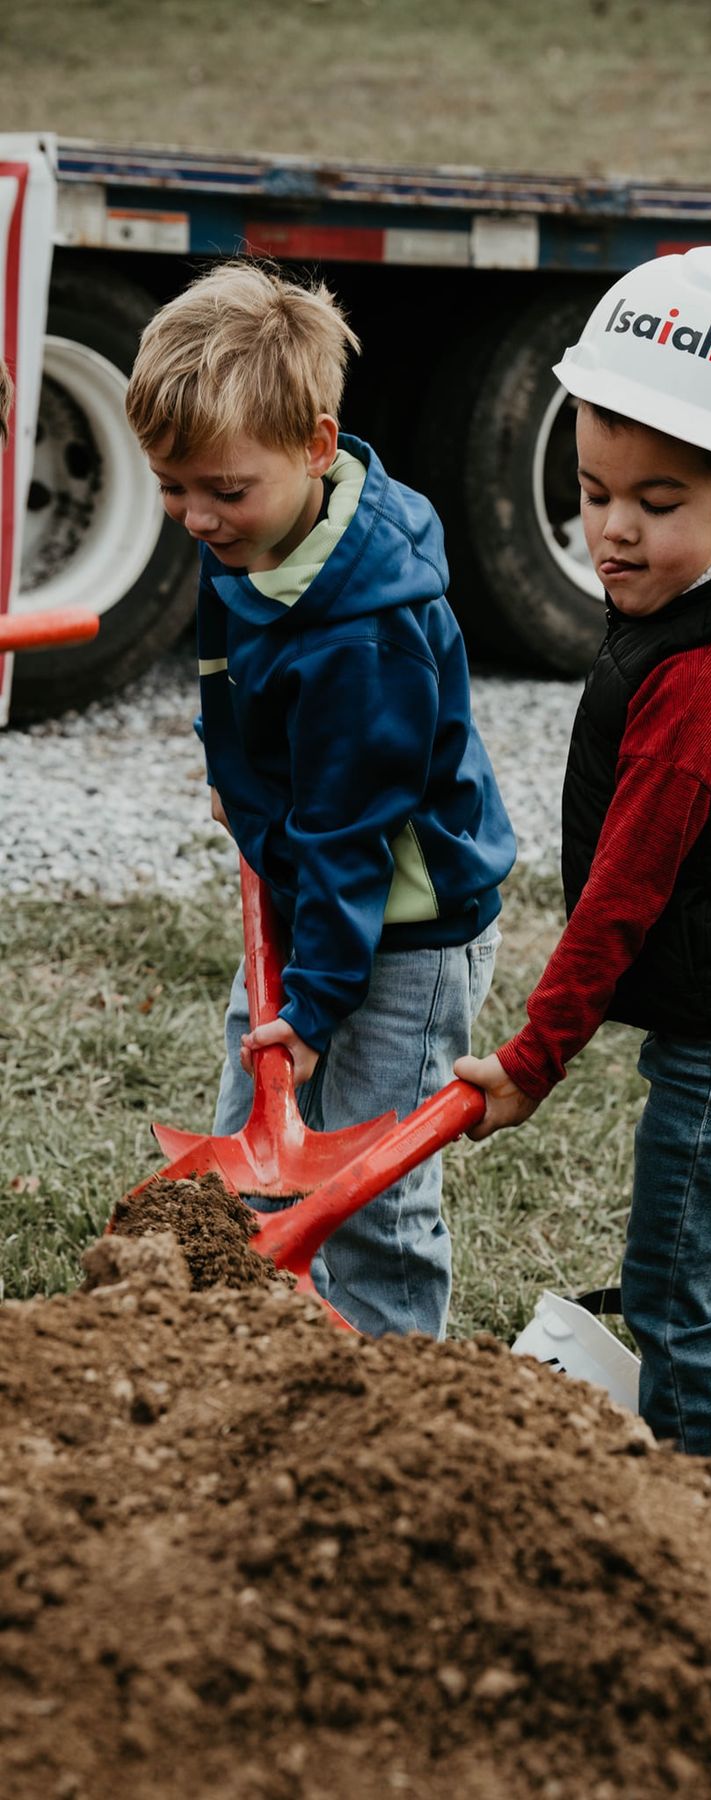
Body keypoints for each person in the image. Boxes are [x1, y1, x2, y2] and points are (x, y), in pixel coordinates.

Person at [456, 247, 711, 1464]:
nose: (615, 532)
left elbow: (621, 900)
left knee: (677, 1286)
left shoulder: (696, 679)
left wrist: (533, 1062)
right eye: (594, 491)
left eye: (658, 502)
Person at [125, 261, 515, 1338]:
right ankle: (242, 1350)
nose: (196, 519)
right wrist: (234, 774)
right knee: (251, 1146)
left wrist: (313, 1008)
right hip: (314, 880)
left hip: (402, 923)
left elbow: (353, 836)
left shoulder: (367, 632)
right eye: (173, 487)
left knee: (371, 1186)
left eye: (222, 491)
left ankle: (390, 1380)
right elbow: (226, 676)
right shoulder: (255, 531)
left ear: (317, 445)